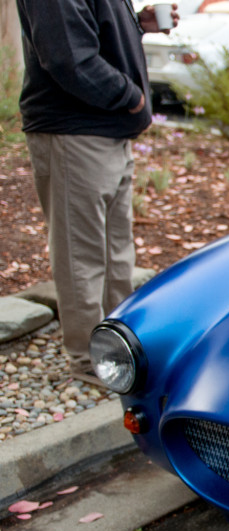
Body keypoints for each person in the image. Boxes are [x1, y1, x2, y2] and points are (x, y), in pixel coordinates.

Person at [16, 1, 178, 385]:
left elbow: (89, 32)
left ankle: (120, 346)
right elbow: (69, 58)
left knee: (115, 251)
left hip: (107, 132)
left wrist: (138, 24)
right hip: (76, 133)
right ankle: (92, 360)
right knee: (82, 255)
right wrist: (131, 98)